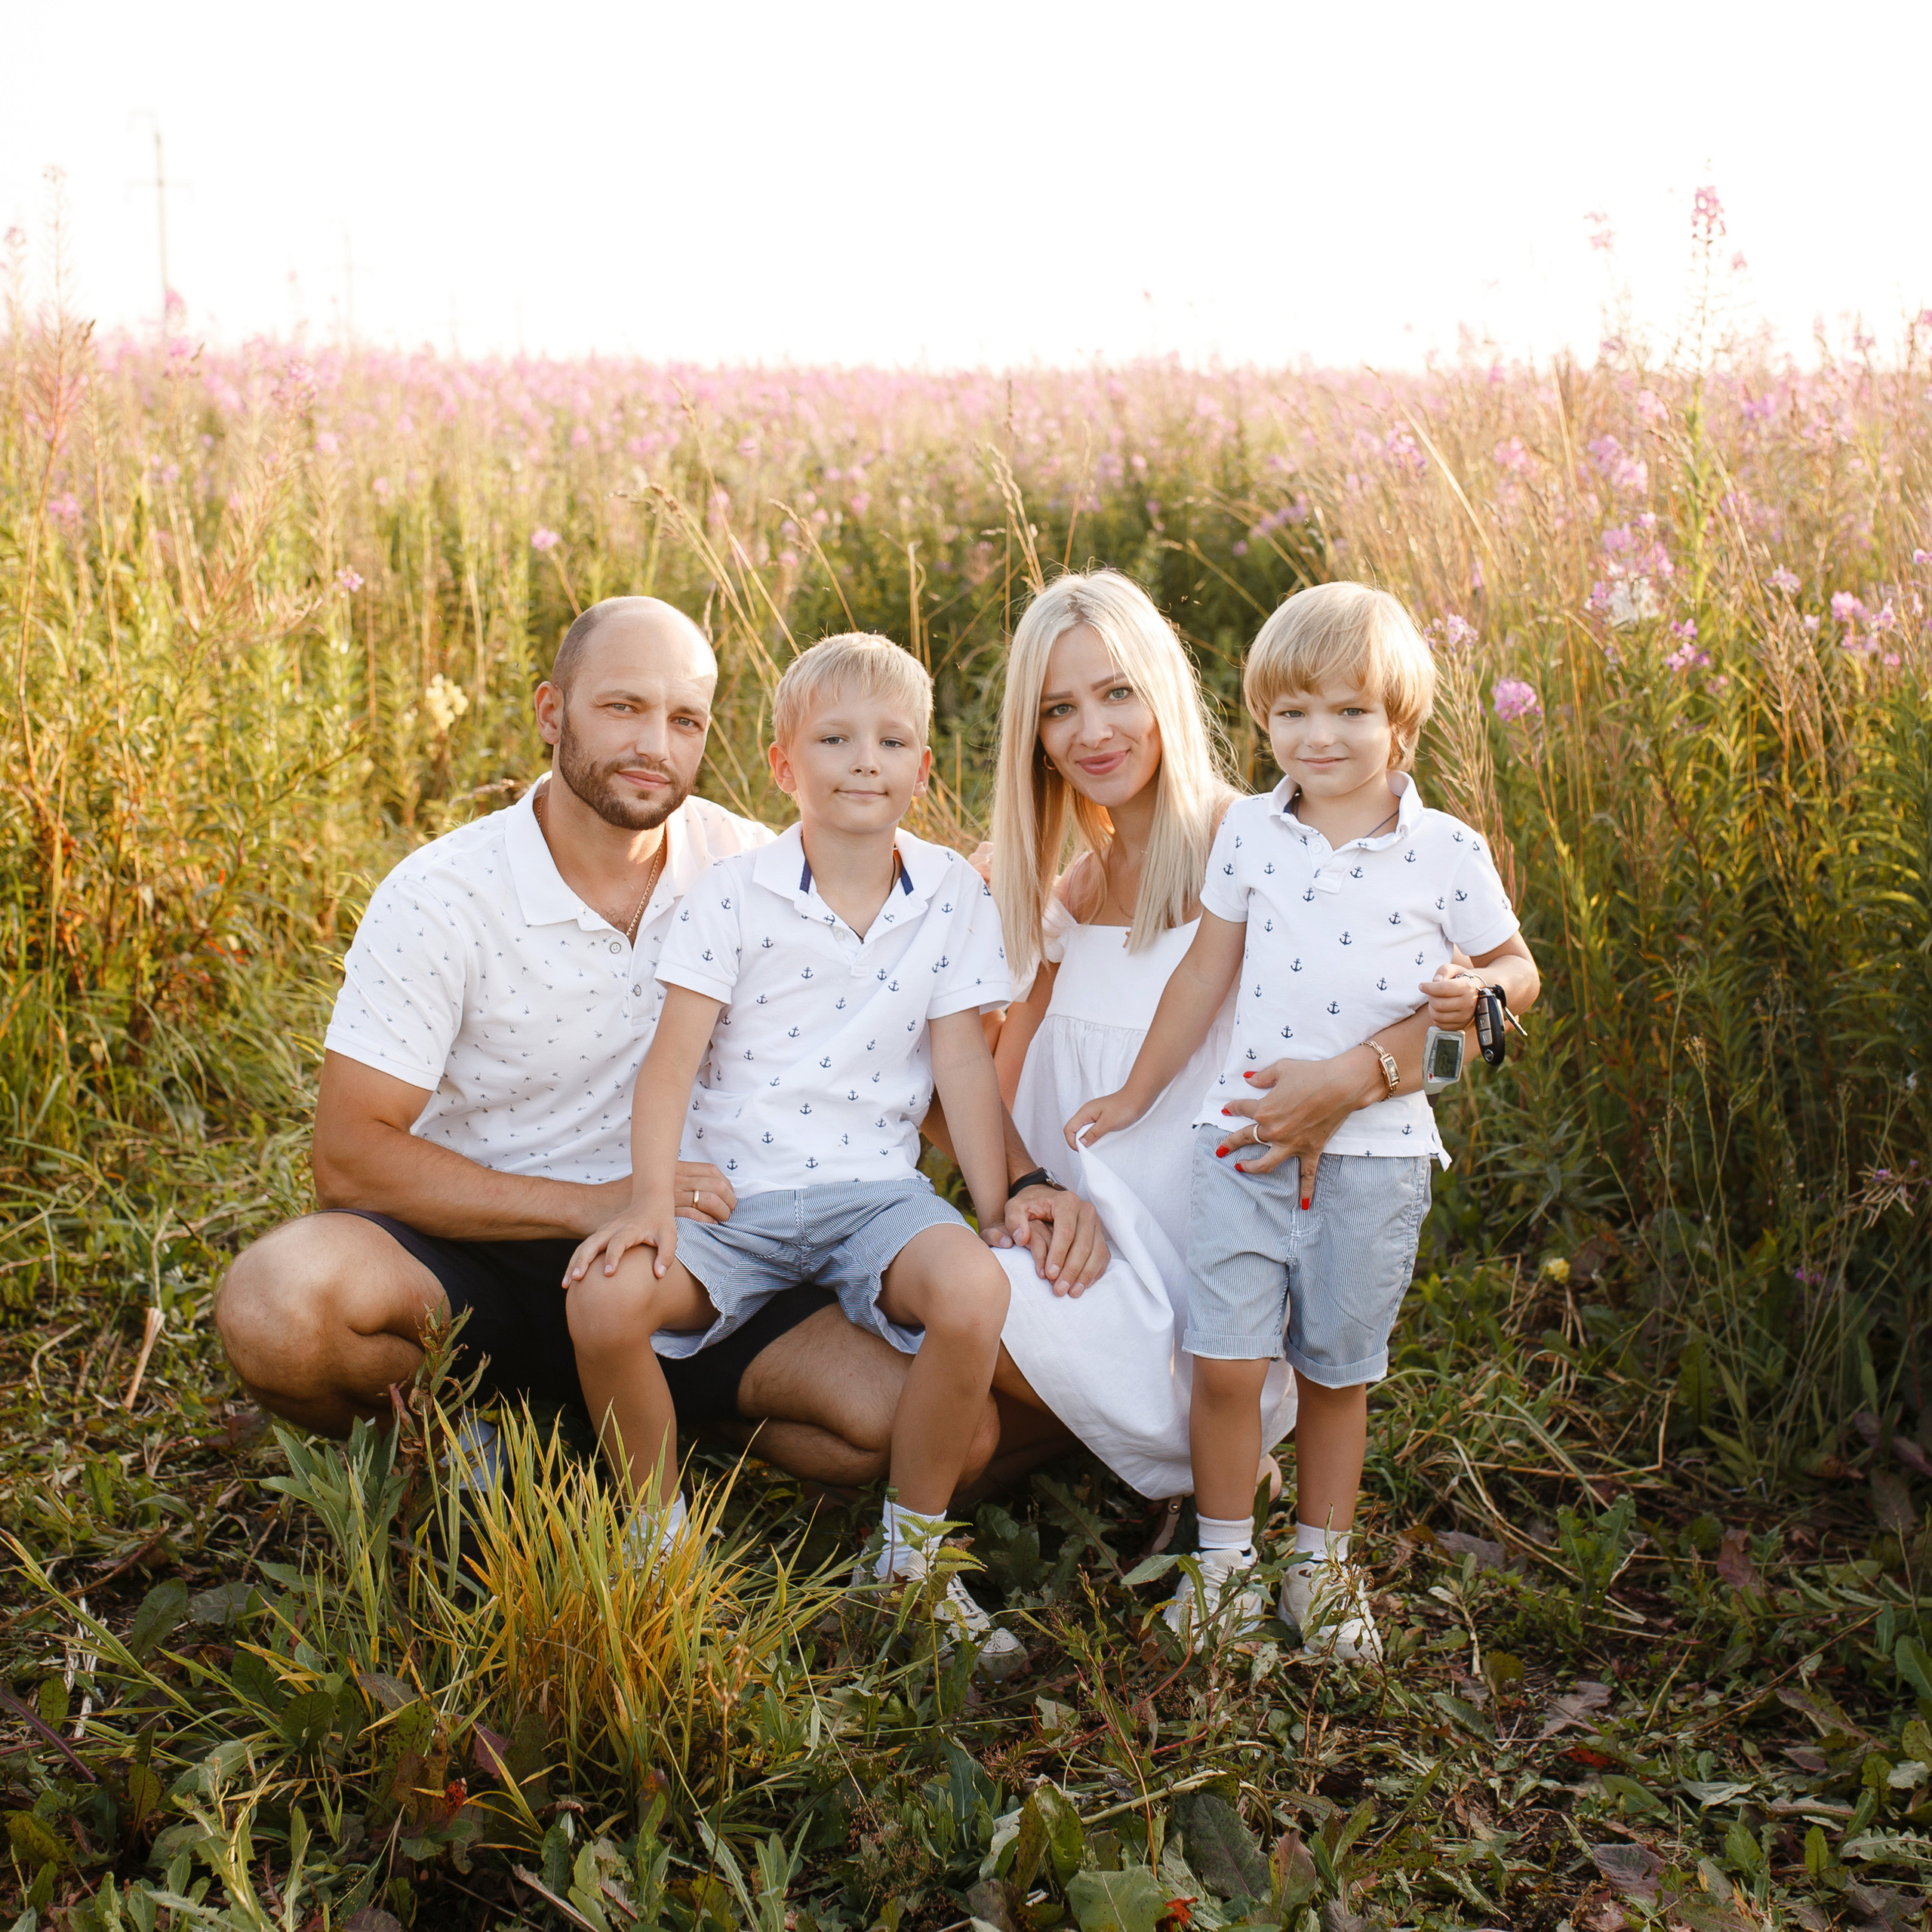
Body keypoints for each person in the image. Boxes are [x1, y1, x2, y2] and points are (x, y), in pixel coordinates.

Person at [214, 597, 1101, 1497]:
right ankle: (461, 1448)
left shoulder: (742, 863)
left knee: (951, 1433)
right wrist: (597, 1202)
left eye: (684, 720)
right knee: (279, 1306)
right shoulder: (442, 894)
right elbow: (349, 1158)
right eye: (622, 707)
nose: (654, 744)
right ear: (551, 712)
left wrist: (1024, 1181)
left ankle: (666, 1414)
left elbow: (886, 1049)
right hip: (478, 1259)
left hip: (708, 1247)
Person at [1068, 582, 1541, 1658]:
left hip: (1377, 1157)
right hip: (1243, 1137)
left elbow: (1520, 969)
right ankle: (1226, 1565)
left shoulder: (1448, 849)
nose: (1317, 737)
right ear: (1264, 722)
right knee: (1225, 1361)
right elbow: (1202, 974)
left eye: (1348, 712)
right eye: (1291, 714)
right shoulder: (1249, 834)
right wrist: (1140, 1091)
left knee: (1337, 1370)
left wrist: (1486, 995)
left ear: (1400, 724)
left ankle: (1320, 1573)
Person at [564, 633, 1024, 1672]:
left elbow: (961, 1063)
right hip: (740, 1202)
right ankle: (658, 1546)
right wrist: (646, 1203)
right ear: (784, 764)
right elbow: (670, 1067)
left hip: (878, 1200)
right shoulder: (734, 894)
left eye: (892, 740)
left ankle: (913, 1562)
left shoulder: (951, 893)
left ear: (922, 767)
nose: (866, 759)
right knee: (602, 1300)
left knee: (975, 1292)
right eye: (836, 738)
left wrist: (1000, 1205)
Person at [981, 570, 1459, 1514]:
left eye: (1118, 692)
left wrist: (1353, 1081)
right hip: (1079, 1271)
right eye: (1057, 709)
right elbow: (987, 1093)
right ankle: (1164, 1474)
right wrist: (1030, 1195)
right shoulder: (1061, 898)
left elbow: (1457, 1037)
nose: (1093, 731)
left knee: (948, 1339)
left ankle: (1211, 1473)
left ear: (1164, 691)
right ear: (1031, 739)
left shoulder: (1268, 850)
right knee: (901, 1383)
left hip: (1218, 1302)